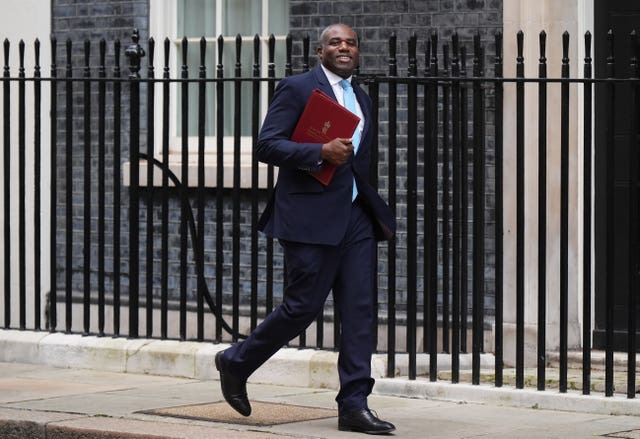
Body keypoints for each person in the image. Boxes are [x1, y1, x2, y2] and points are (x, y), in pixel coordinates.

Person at [215, 23, 396, 435]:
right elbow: (266, 145)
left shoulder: (362, 99)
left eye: (351, 42)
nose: (344, 47)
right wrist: (319, 151)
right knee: (302, 307)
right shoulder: (298, 88)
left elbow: (359, 162)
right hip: (309, 218)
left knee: (359, 313)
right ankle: (236, 361)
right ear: (320, 51)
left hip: (355, 218)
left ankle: (354, 404)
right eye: (336, 42)